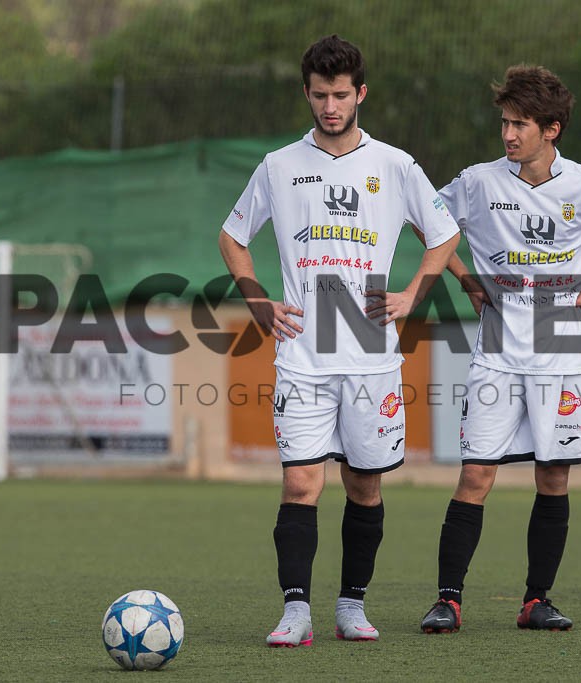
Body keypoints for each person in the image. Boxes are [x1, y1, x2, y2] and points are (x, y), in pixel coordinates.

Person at [219, 34, 460, 647]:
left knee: (364, 485)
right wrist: (256, 299)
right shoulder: (278, 165)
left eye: (341, 95)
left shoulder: (395, 164)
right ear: (307, 93)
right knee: (301, 483)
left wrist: (412, 294)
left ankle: (351, 604)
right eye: (320, 95)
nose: (331, 106)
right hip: (302, 352)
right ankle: (295, 609)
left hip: (372, 355)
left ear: (361, 94)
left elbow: (444, 233)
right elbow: (232, 237)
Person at [418, 65, 581, 633]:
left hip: (562, 347)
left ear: (553, 129)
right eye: (504, 123)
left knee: (554, 477)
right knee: (475, 475)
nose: (508, 134)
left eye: (520, 124)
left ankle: (536, 601)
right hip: (498, 345)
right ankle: (448, 601)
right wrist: (466, 279)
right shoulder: (476, 182)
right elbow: (429, 225)